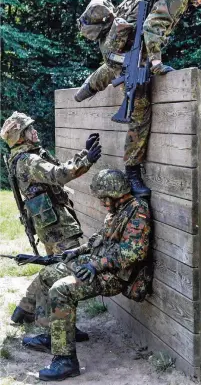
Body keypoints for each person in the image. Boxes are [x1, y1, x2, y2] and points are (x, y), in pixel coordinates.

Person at [74, 0, 201, 197]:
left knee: (122, 68)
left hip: (116, 46)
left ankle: (90, 85)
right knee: (140, 110)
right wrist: (156, 64)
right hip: (123, 49)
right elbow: (153, 28)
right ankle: (132, 170)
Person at [22, 169, 151, 381]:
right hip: (98, 265)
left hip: (115, 276)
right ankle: (52, 336)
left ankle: (66, 361)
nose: (101, 202)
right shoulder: (119, 209)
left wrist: (95, 265)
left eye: (103, 198)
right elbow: (100, 239)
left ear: (114, 193)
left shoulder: (137, 212)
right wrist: (77, 252)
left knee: (61, 290)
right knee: (48, 274)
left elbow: (134, 252)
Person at [0, 111, 101, 341]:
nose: (35, 132)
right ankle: (57, 328)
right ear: (21, 137)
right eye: (29, 130)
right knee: (66, 274)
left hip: (48, 223)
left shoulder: (24, 156)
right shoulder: (29, 160)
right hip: (56, 226)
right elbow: (58, 175)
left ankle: (25, 309)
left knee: (53, 270)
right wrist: (87, 159)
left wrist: (83, 154)